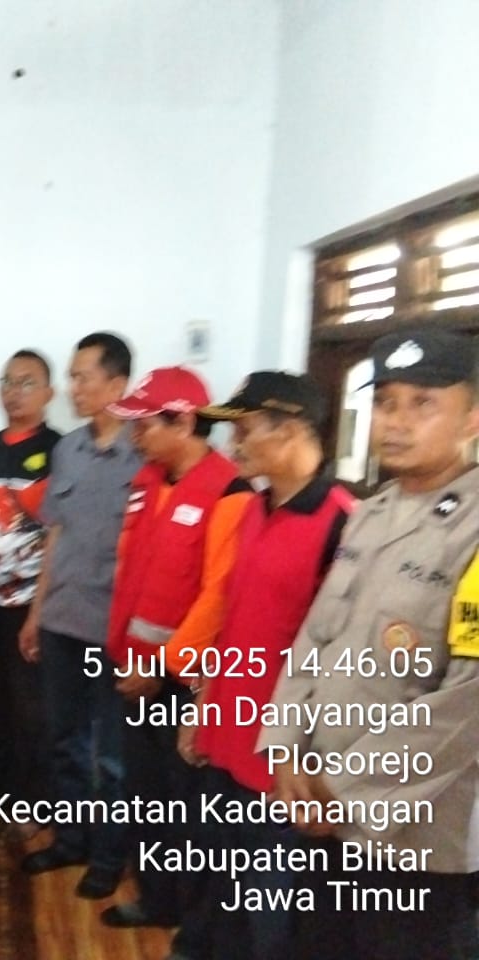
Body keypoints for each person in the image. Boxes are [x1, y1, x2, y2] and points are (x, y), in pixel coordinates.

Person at [260, 328, 479, 960]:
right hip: (321, 811)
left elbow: (465, 702)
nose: (397, 421)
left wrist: (341, 785)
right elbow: (316, 638)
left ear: (472, 418)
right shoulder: (371, 515)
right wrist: (286, 748)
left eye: (423, 403)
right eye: (385, 402)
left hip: (414, 837)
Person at [173, 372, 354, 960]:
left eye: (245, 430)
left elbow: (342, 664)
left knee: (268, 915)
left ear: (291, 430)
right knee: (218, 888)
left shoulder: (342, 523)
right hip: (226, 741)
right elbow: (233, 618)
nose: (235, 445)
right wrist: (202, 703)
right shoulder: (254, 508)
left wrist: (308, 761)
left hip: (282, 764)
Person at [99, 366, 254, 931]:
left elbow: (219, 598)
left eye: (144, 426)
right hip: (134, 670)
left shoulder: (230, 493)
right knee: (144, 795)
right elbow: (131, 574)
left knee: (184, 806)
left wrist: (162, 667)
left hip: (183, 684)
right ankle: (156, 898)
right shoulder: (148, 482)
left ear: (184, 423)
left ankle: (190, 920)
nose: (135, 436)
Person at [18, 332, 142, 899]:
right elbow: (56, 535)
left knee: (111, 754)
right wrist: (35, 612)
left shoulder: (144, 453)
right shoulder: (67, 449)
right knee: (64, 738)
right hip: (62, 620)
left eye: (81, 377)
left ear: (117, 384)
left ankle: (109, 856)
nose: (72, 387)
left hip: (113, 631)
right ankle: (71, 840)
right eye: (70, 377)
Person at [0, 349, 60, 827]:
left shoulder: (61, 451)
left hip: (28, 606)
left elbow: (62, 533)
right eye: (7, 381)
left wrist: (40, 613)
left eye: (26, 382)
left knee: (30, 713)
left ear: (49, 393)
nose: (14, 392)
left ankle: (31, 810)